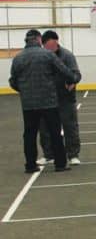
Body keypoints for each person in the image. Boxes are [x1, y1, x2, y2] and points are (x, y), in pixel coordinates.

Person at [8, 29, 74, 173]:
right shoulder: (48, 55)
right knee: (55, 132)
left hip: (28, 104)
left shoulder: (18, 58)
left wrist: (24, 91)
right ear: (38, 39)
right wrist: (72, 80)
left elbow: (13, 81)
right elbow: (64, 71)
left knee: (30, 135)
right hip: (49, 101)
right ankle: (60, 164)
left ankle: (30, 165)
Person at [38, 30, 83, 166]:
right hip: (47, 98)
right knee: (45, 128)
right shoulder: (41, 56)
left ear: (56, 42)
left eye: (52, 45)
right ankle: (49, 155)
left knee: (70, 127)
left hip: (65, 98)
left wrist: (72, 82)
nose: (49, 49)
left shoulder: (67, 55)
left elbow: (76, 74)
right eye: (46, 46)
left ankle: (73, 155)